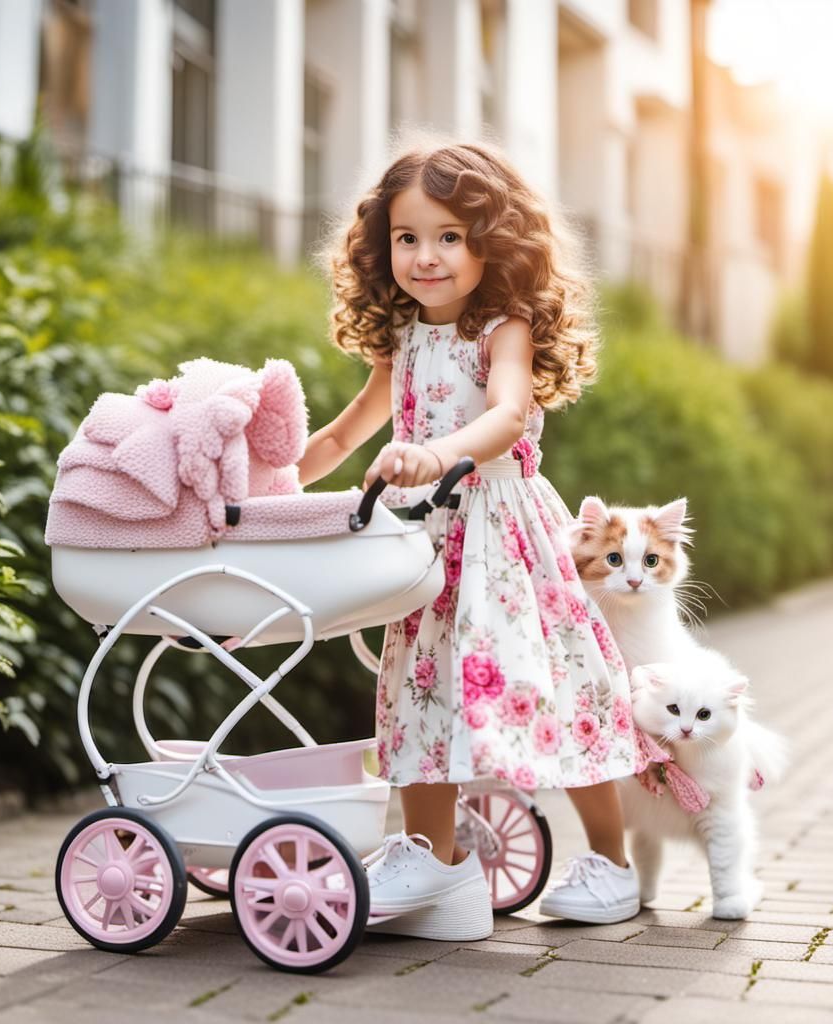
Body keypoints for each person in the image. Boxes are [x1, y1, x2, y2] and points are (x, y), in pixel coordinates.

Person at [297, 141, 639, 940]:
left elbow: (508, 415)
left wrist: (438, 453)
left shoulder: (502, 327)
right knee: (418, 691)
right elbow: (350, 430)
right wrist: (275, 477)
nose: (427, 256)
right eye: (409, 237)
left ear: (494, 241)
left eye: (451, 236)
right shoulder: (405, 337)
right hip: (425, 547)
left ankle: (611, 863)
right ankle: (434, 860)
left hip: (506, 537)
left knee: (560, 685)